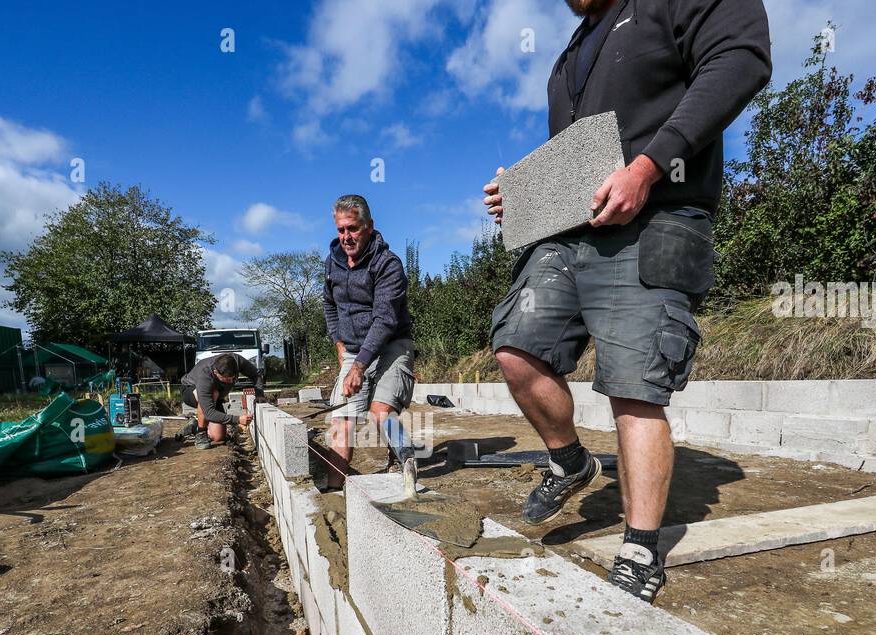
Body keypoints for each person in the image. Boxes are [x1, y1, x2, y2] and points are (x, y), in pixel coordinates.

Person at [482, 0, 771, 603]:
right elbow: (583, 152)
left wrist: (647, 168)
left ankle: (641, 544)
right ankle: (570, 462)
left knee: (633, 385)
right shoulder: (568, 55)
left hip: (657, 218)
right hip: (571, 230)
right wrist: (528, 191)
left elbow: (740, 63)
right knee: (515, 348)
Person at [322, 194, 417, 489]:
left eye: (352, 228)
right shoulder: (332, 262)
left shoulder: (388, 264)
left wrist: (360, 366)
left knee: (381, 413)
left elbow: (385, 320)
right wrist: (339, 344)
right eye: (340, 230)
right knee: (342, 420)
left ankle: (406, 458)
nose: (346, 237)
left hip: (391, 344)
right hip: (352, 349)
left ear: (369, 225)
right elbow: (329, 305)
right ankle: (336, 486)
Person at [180, 352, 261, 449]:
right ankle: (201, 433)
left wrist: (260, 395)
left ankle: (195, 426)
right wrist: (238, 419)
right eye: (226, 380)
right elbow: (209, 413)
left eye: (233, 378)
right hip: (190, 390)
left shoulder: (237, 361)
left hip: (215, 396)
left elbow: (256, 374)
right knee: (213, 393)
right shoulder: (205, 375)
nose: (231, 382)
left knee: (218, 437)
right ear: (216, 372)